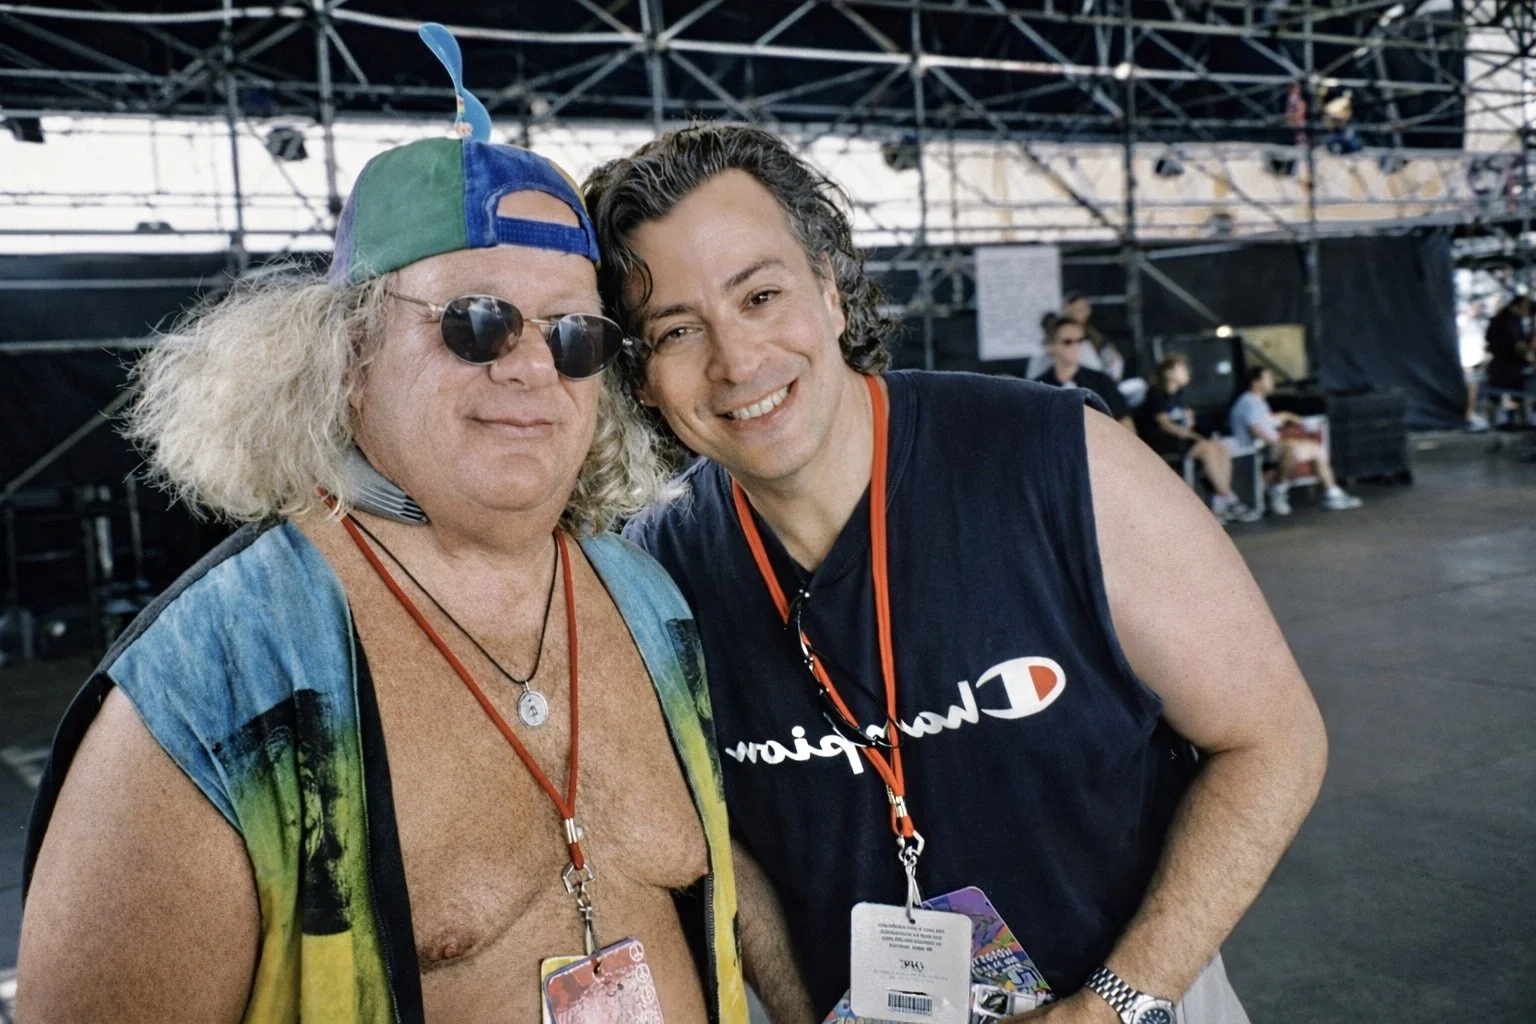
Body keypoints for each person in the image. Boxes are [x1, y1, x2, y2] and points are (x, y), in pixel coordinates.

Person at [18, 41, 748, 1024]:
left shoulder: (647, 600)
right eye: (477, 323)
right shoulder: (212, 685)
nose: (534, 368)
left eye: (574, 336)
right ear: (349, 353)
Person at [584, 123, 1327, 1024]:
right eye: (675, 330)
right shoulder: (657, 575)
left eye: (762, 294)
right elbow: (720, 844)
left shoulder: (1059, 462)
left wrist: (1112, 1003)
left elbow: (1273, 742)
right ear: (643, 376)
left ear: (829, 288)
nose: (737, 362)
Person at [1135, 355, 1259, 525]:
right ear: (1169, 373)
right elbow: (1165, 425)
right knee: (1207, 449)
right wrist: (1191, 435)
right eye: (1182, 369)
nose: (1187, 373)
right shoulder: (1156, 393)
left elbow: (1186, 423)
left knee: (1219, 448)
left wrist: (1190, 421)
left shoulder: (1179, 394)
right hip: (1163, 442)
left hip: (1184, 439)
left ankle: (1221, 499)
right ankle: (1230, 499)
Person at [1230, 366, 1362, 515]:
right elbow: (1257, 433)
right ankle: (1278, 489)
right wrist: (1280, 443)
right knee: (1291, 448)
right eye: (1268, 379)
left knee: (1316, 449)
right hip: (1254, 451)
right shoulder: (1248, 403)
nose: (1273, 382)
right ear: (1256, 383)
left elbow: (1272, 420)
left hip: (1272, 447)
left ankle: (1332, 494)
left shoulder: (1259, 403)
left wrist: (1291, 417)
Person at [1034, 313, 1133, 429]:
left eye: (1080, 340)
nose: (1076, 346)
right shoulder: (1039, 386)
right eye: (1068, 342)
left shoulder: (1101, 382)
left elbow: (1125, 423)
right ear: (1051, 345)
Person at [1064, 292, 1126, 381]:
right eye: (1079, 309)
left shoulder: (1092, 331)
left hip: (1101, 379)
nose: (1085, 313)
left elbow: (1112, 358)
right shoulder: (1063, 334)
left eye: (1085, 308)